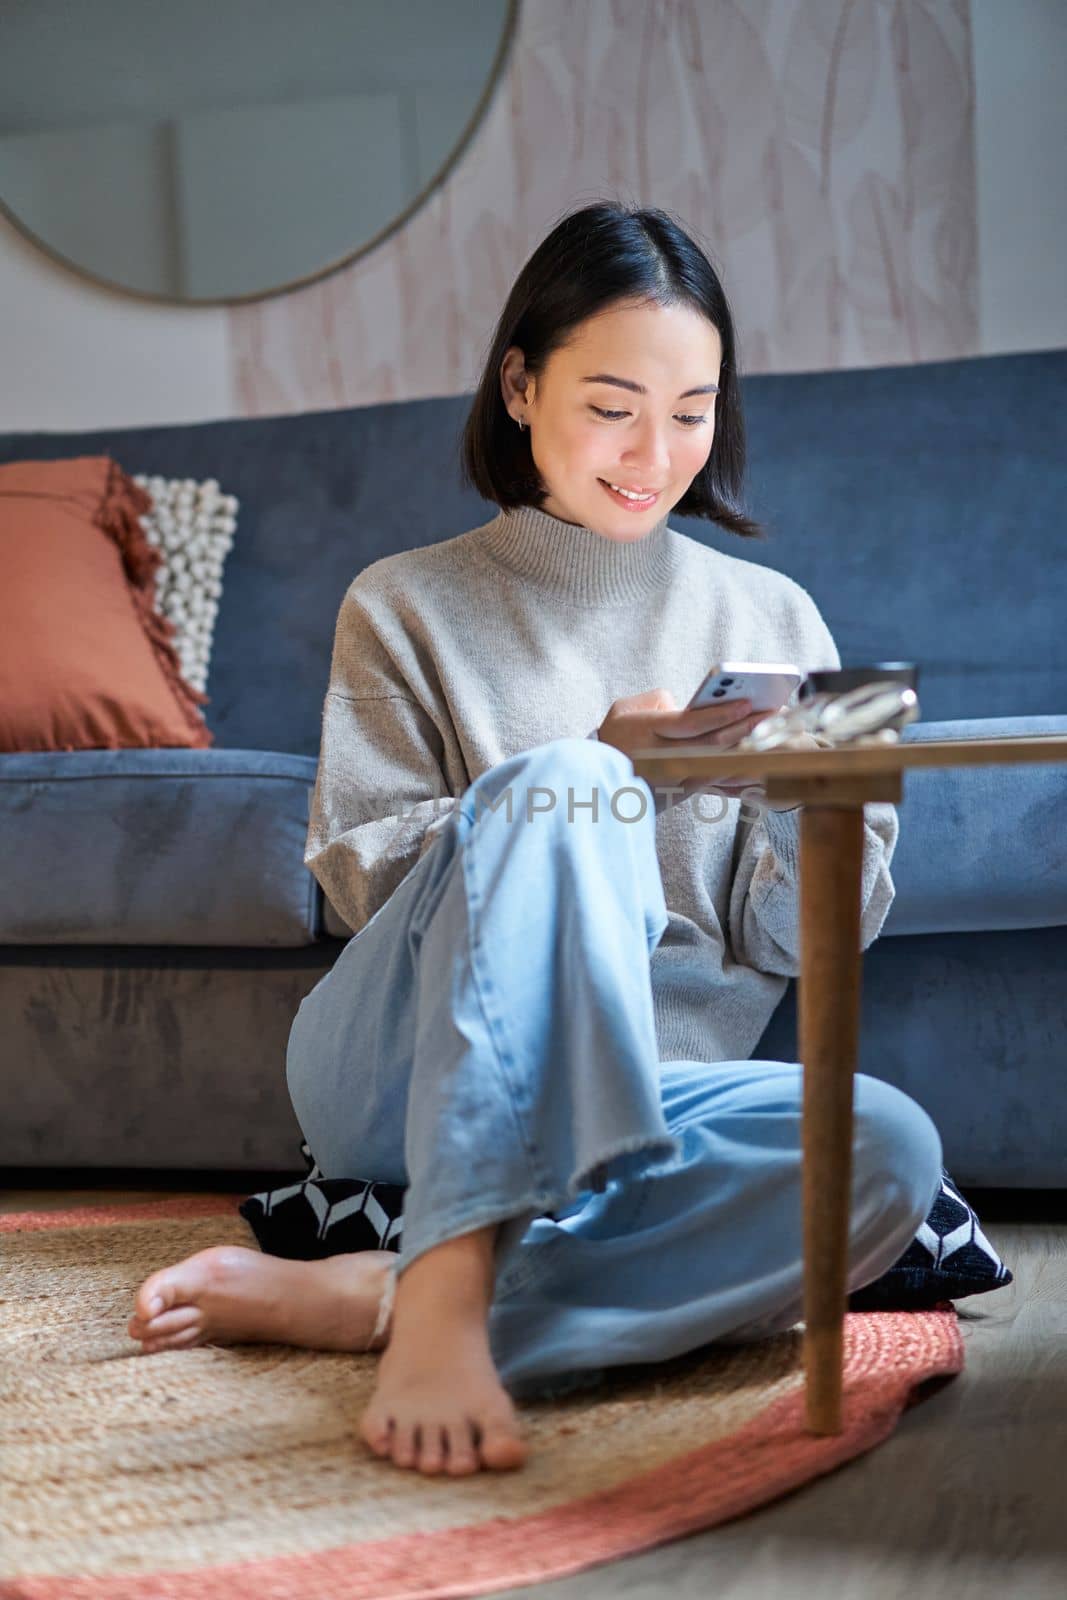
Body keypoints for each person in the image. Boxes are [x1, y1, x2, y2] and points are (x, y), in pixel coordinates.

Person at [127, 201, 943, 1480]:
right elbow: (364, 884)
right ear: (519, 383)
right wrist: (599, 778)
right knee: (567, 782)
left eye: (693, 409)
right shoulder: (402, 601)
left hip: (643, 1095)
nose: (656, 450)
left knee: (885, 1147)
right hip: (401, 1073)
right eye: (612, 402)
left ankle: (371, 1298)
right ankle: (445, 1284)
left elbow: (799, 942)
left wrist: (812, 800)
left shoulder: (775, 616)